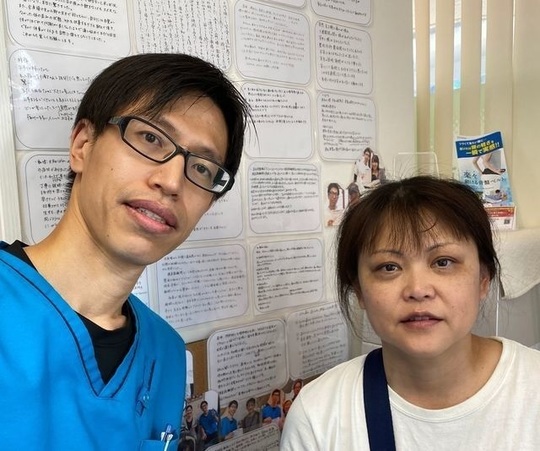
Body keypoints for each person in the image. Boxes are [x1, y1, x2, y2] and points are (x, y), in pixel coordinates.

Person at [0, 53, 250, 450]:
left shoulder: (166, 353)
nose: (172, 182)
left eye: (202, 168)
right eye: (151, 138)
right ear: (82, 145)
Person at [281, 176, 540, 450]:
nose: (418, 289)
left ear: (483, 279)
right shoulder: (317, 417)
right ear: (359, 290)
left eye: (443, 262)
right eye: (389, 267)